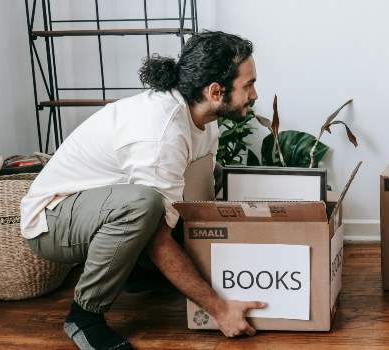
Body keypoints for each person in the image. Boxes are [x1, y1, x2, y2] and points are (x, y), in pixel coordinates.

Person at [20, 31, 266, 350]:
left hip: (102, 206)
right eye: (248, 85)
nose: (255, 94)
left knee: (211, 179)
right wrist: (219, 310)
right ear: (216, 91)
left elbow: (197, 198)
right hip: (52, 222)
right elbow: (159, 238)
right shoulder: (161, 135)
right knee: (144, 204)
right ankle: (84, 316)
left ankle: (136, 273)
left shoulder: (204, 117)